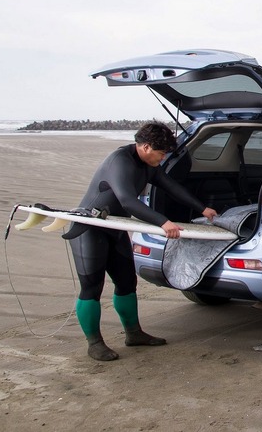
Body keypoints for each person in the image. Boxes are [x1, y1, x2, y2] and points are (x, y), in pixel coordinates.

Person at [65, 121, 218, 361]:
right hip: (90, 229)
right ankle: (94, 343)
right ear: (146, 147)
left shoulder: (148, 164)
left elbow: (171, 187)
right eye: (161, 152)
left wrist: (203, 208)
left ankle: (134, 334)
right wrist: (162, 222)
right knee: (92, 287)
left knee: (127, 283)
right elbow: (127, 200)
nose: (163, 157)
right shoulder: (120, 162)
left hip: (115, 228)